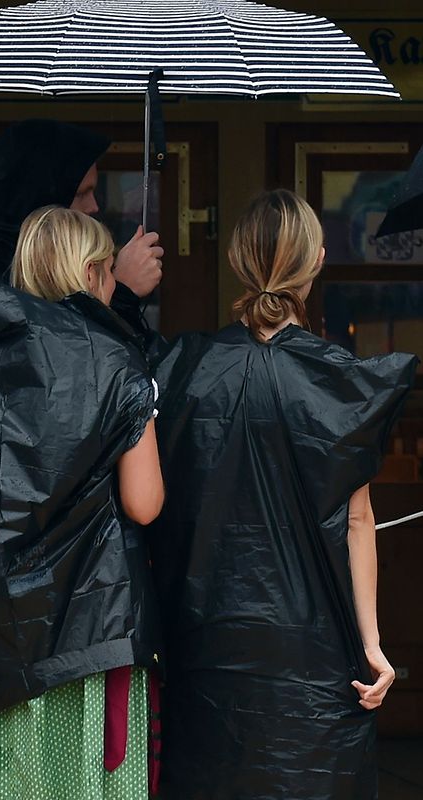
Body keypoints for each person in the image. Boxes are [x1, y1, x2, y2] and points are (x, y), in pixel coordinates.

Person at [150, 190, 413, 800]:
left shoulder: (184, 369)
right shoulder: (342, 382)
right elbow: (358, 522)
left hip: (205, 642)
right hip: (313, 653)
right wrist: (370, 644)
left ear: (239, 263)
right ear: (318, 260)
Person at [0, 205, 164, 800]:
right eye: (109, 271)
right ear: (90, 275)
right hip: (91, 621)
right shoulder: (115, 360)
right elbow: (144, 502)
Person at [0, 119, 165, 440]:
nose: (94, 206)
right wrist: (120, 293)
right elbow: (62, 383)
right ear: (41, 195)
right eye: (82, 193)